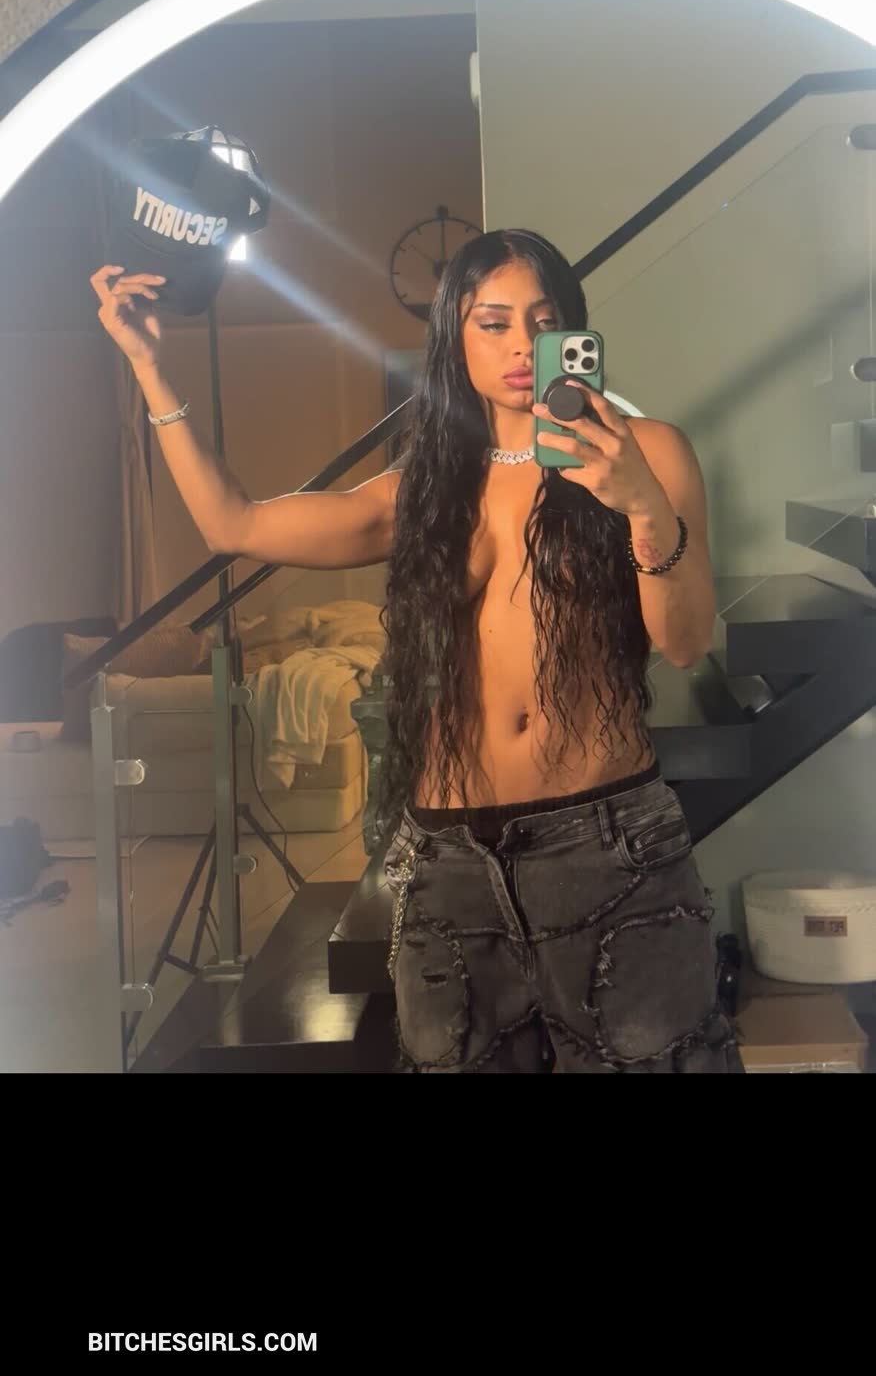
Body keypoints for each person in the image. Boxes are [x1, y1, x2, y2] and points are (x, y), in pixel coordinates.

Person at [90, 230, 742, 1075]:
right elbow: (234, 524)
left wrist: (645, 507)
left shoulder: (649, 453)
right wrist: (150, 368)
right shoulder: (421, 490)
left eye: (543, 321)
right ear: (455, 340)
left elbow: (685, 645)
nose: (521, 345)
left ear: (573, 331)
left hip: (605, 843)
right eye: (493, 323)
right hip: (449, 861)